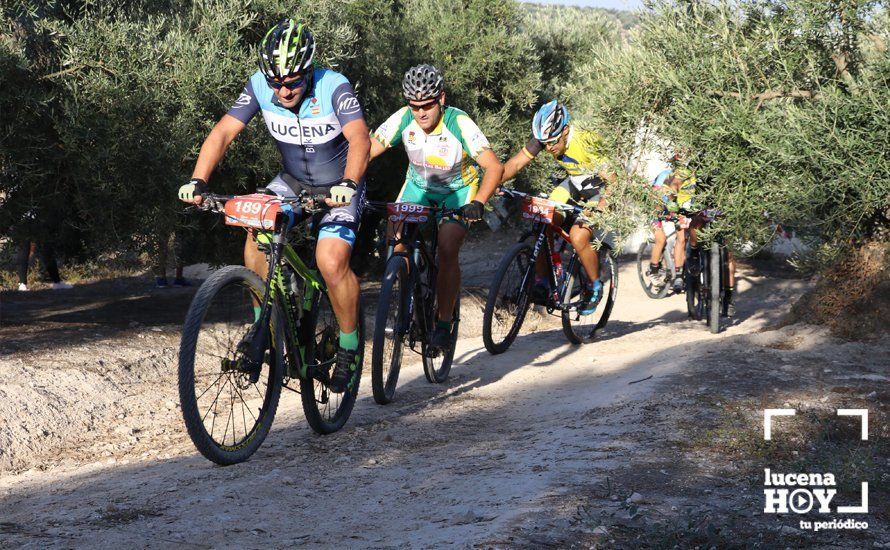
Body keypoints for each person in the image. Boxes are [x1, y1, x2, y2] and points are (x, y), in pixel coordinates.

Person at [178, 18, 371, 393]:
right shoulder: (258, 86)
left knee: (331, 262)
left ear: (309, 70)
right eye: (275, 83)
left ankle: (349, 346)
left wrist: (348, 184)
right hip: (293, 181)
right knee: (254, 227)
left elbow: (360, 139)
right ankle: (263, 326)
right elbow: (223, 133)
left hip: (342, 184)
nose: (283, 91)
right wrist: (198, 180)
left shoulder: (334, 87)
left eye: (293, 82)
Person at [369, 64, 503, 349]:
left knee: (447, 246)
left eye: (427, 105)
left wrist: (478, 202)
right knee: (395, 238)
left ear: (441, 98)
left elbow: (494, 167)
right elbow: (367, 149)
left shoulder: (459, 122)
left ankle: (443, 322)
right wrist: (346, 181)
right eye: (414, 106)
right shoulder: (404, 118)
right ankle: (407, 294)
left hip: (458, 191)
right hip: (418, 187)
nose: (420, 113)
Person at [500, 100, 615, 314]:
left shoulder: (587, 140)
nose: (549, 148)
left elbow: (613, 180)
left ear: (566, 130)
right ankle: (543, 280)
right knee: (544, 217)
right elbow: (515, 164)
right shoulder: (546, 139)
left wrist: (601, 205)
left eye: (553, 142)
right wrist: (493, 183)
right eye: (544, 143)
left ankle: (594, 284)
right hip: (575, 182)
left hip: (600, 189)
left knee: (578, 236)